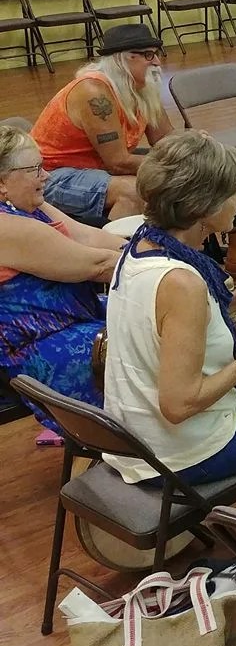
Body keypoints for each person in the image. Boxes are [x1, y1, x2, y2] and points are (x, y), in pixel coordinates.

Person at [102, 130, 236, 485]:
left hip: (139, 440)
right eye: (234, 192)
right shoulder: (181, 283)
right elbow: (178, 405)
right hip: (183, 453)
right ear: (204, 206)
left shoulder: (137, 248)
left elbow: (163, 324)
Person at [0, 125, 124, 444]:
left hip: (65, 320)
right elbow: (95, 265)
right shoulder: (9, 228)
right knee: (136, 337)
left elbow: (86, 235)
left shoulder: (30, 204)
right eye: (34, 169)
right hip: (31, 345)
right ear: (2, 183)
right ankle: (121, 442)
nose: (47, 176)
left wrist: (145, 243)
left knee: (143, 316)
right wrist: (167, 258)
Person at [30, 24, 174, 227]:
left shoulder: (142, 86)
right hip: (50, 176)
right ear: (123, 59)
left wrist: (195, 148)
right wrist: (174, 166)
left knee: (202, 170)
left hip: (95, 169)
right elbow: (117, 162)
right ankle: (115, 253)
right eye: (148, 55)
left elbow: (164, 139)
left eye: (156, 54)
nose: (157, 62)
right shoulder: (94, 92)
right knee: (134, 191)